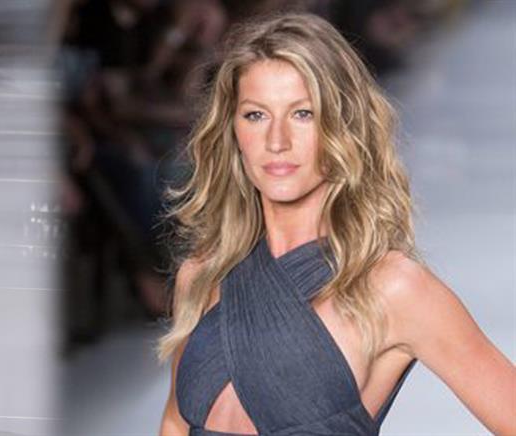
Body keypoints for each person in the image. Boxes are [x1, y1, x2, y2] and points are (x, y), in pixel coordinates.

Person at [157, 13, 515, 435]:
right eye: (255, 115)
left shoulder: (392, 288)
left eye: (302, 113)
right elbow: (175, 424)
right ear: (233, 130)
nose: (277, 141)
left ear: (342, 125)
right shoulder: (202, 276)